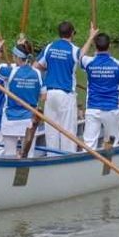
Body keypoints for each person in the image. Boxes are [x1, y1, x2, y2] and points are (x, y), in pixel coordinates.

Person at [78, 27, 119, 149]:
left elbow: (79, 56)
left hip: (93, 109)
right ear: (109, 46)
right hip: (111, 109)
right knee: (111, 144)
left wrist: (90, 37)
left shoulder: (89, 62)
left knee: (89, 145)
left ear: (95, 46)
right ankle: (108, 163)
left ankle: (87, 164)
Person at [39, 20, 80, 152]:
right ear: (72, 33)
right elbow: (84, 59)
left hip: (49, 95)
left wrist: (49, 70)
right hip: (66, 95)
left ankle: (52, 158)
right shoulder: (74, 50)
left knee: (51, 133)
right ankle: (68, 159)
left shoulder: (50, 47)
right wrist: (91, 38)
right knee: (68, 132)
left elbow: (36, 66)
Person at [0, 40, 43, 158]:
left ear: (17, 57)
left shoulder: (10, 71)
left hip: (10, 119)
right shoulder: (37, 73)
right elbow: (43, 96)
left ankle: (9, 174)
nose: (12, 57)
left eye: (13, 56)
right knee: (29, 156)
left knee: (9, 155)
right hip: (29, 120)